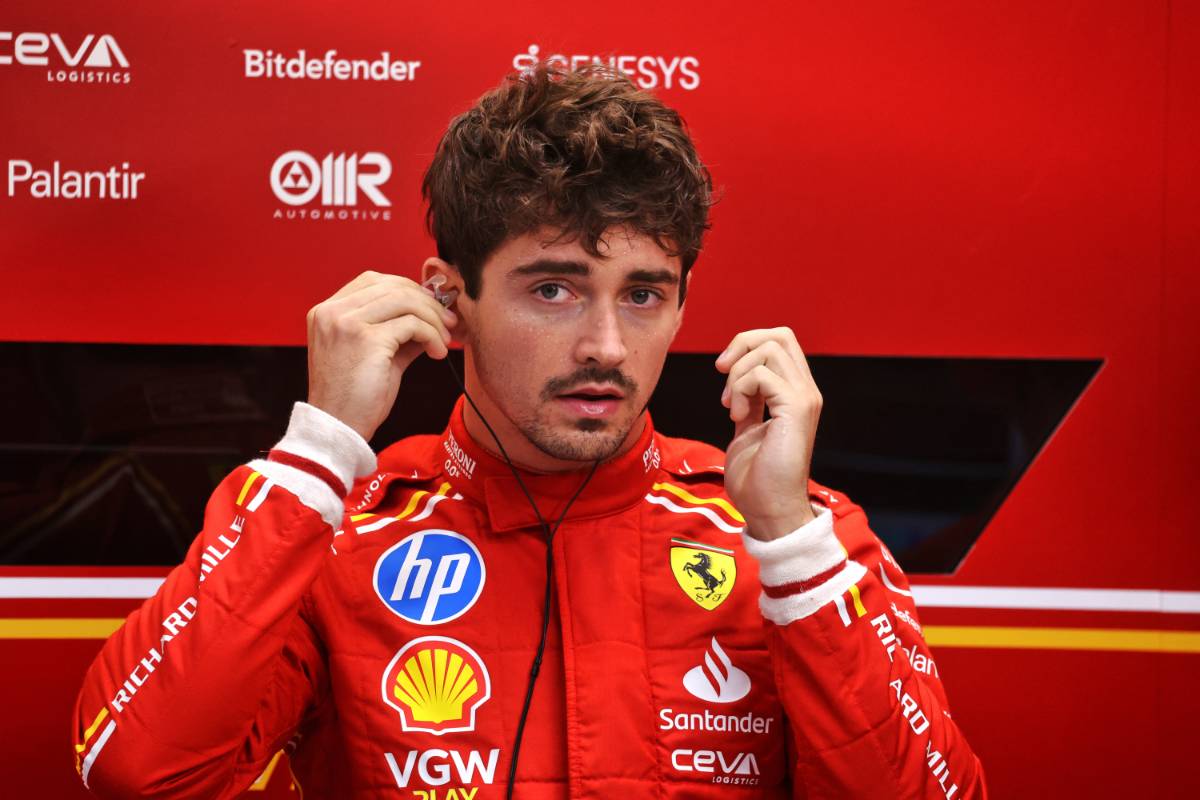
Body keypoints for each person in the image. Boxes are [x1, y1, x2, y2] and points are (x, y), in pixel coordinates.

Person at [73, 63, 986, 799]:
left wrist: (791, 546)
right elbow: (138, 769)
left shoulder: (793, 540)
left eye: (642, 295)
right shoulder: (332, 528)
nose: (605, 347)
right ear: (448, 300)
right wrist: (319, 451)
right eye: (552, 289)